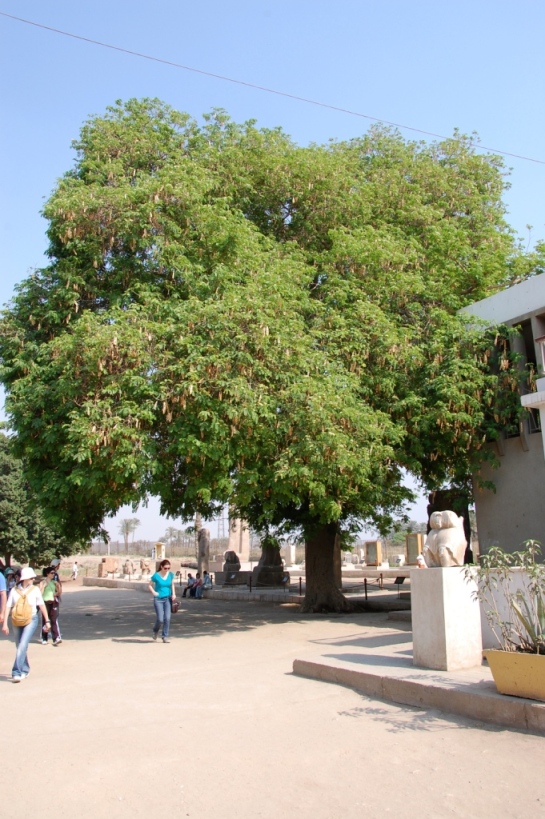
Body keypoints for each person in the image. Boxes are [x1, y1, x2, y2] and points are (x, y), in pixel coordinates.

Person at [2, 567, 51, 682]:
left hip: (31, 619)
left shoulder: (35, 590)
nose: (33, 579)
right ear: (25, 579)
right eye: (31, 577)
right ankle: (25, 668)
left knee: (23, 644)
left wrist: (47, 620)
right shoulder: (14, 590)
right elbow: (8, 606)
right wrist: (5, 624)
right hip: (16, 620)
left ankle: (16, 672)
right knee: (20, 646)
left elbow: (41, 605)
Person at [148, 559, 176, 643]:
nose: (167, 570)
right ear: (161, 567)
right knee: (160, 619)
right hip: (158, 599)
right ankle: (155, 630)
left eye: (168, 568)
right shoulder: (156, 575)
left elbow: (172, 584)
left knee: (167, 618)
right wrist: (154, 592)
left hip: (168, 598)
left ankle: (165, 636)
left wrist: (174, 594)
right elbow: (149, 585)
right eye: (165, 568)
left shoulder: (170, 575)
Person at [39, 567, 62, 645]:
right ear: (47, 574)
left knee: (53, 620)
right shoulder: (42, 582)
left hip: (53, 602)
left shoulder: (54, 582)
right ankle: (44, 637)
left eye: (54, 573)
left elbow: (58, 593)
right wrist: (44, 586)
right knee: (45, 620)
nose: (53, 574)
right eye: (51, 573)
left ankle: (56, 638)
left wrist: (58, 587)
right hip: (45, 602)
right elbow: (40, 594)